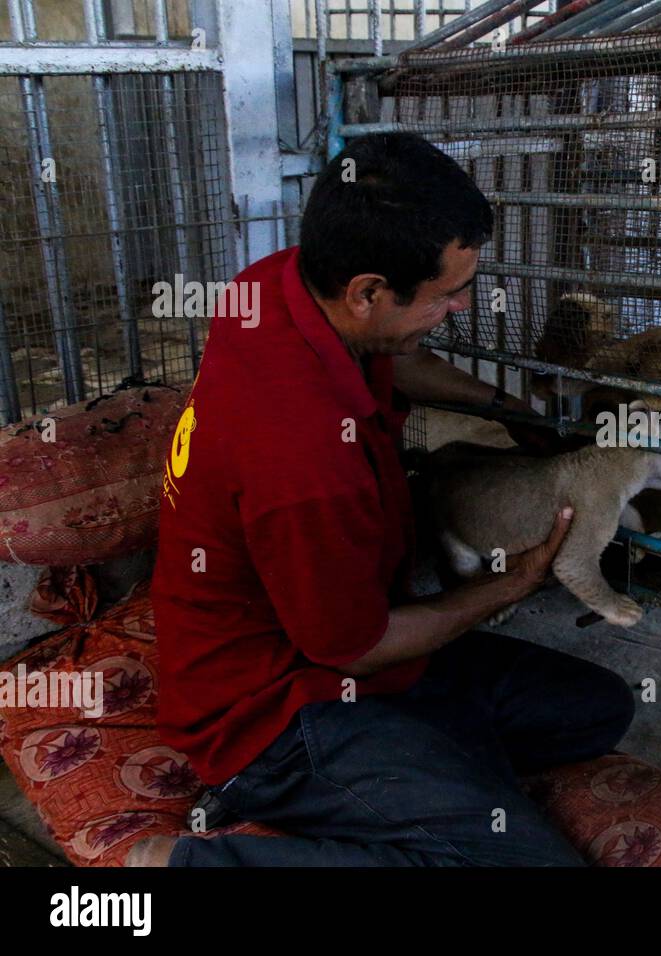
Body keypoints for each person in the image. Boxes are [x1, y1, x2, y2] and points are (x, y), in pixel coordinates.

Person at [134, 132, 635, 866]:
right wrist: (509, 586)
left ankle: (421, 777)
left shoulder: (279, 286)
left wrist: (512, 412)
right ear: (367, 291)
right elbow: (355, 648)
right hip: (270, 712)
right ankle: (192, 862)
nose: (460, 308)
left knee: (598, 708)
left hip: (351, 650)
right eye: (445, 295)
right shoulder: (300, 455)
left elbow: (403, 361)